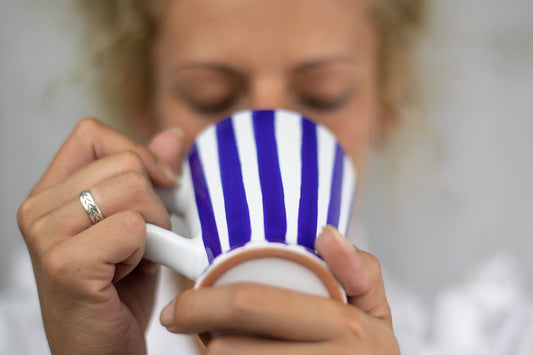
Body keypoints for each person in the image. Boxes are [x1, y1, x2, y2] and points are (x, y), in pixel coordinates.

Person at [17, 0, 425, 354]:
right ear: (141, 99)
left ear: (389, 100)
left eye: (324, 93)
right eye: (210, 95)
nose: (268, 133)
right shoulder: (30, 336)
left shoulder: (467, 340)